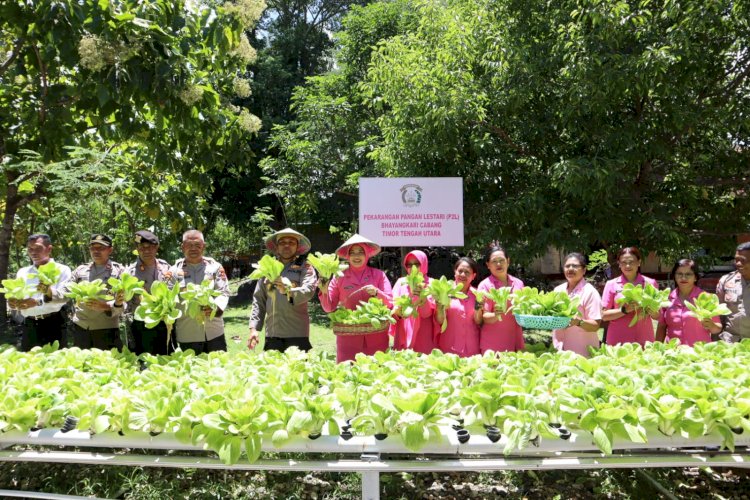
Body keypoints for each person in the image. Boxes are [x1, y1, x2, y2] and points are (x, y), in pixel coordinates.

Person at [318, 234, 392, 362]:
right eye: (352, 253)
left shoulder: (378, 275)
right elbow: (329, 308)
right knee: (347, 376)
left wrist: (377, 293)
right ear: (348, 256)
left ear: (367, 254)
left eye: (360, 252)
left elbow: (390, 303)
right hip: (348, 339)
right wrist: (324, 292)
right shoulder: (339, 277)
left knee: (377, 374)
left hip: (376, 337)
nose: (356, 256)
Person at [248, 228, 317, 352]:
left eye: (291, 242)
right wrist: (254, 329)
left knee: (299, 370)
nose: (286, 245)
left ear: (297, 247)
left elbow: (309, 290)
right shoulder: (267, 268)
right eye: (282, 242)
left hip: (297, 333)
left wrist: (288, 290)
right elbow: (259, 300)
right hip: (273, 333)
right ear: (277, 247)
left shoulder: (305, 267)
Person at [9, 234, 72, 351]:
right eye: (30, 249)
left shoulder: (62, 269)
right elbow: (16, 295)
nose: (33, 252)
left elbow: (64, 297)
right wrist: (13, 303)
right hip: (29, 325)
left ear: (49, 249)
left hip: (53, 324)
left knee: (56, 363)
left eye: (38, 248)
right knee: (30, 363)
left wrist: (37, 302)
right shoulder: (23, 272)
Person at [172, 230, 230, 354]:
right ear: (182, 247)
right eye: (189, 245)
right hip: (187, 334)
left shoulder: (215, 268)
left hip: (214, 333)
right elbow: (169, 299)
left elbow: (223, 292)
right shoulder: (173, 272)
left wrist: (216, 307)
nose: (193, 249)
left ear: (204, 246)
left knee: (219, 370)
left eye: (198, 245)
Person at [65, 234, 126, 349]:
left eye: (101, 248)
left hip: (106, 329)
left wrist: (107, 306)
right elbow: (66, 289)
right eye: (93, 248)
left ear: (110, 250)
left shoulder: (119, 271)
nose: (96, 251)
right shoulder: (80, 270)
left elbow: (125, 301)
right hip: (81, 328)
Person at [125, 230, 174, 355]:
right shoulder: (129, 272)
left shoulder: (166, 267)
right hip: (142, 324)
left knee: (167, 359)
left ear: (156, 247)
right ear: (137, 249)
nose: (146, 251)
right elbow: (126, 301)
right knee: (144, 362)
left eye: (150, 247)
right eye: (142, 247)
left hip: (165, 323)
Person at [601, 247, 659, 346]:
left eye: (631, 262)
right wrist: (624, 310)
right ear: (619, 264)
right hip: (617, 339)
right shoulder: (611, 284)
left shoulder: (650, 283)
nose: (627, 265)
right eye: (623, 262)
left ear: (639, 262)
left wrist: (648, 307)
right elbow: (604, 315)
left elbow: (658, 316)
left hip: (644, 339)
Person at [655, 259, 721, 346]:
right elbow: (661, 327)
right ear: (674, 276)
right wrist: (656, 348)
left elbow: (717, 328)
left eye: (688, 274)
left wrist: (711, 325)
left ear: (695, 277)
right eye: (679, 274)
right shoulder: (667, 298)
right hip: (673, 352)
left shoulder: (706, 298)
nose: (683, 278)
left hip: (699, 353)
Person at [551, 252, 602, 356]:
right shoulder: (557, 290)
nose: (570, 269)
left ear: (584, 270)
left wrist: (578, 322)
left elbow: (596, 325)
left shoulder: (590, 292)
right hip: (559, 350)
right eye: (567, 266)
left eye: (574, 266)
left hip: (582, 353)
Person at [477, 246, 524, 353]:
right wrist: (496, 314)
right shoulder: (485, 285)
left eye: (502, 260)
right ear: (488, 265)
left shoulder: (518, 283)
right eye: (494, 261)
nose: (498, 264)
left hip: (516, 339)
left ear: (508, 261)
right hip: (494, 343)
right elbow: (485, 316)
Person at [433, 257, 483, 357]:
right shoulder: (445, 291)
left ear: (473, 276)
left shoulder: (478, 294)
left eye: (467, 272)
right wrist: (439, 306)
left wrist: (479, 308)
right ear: (455, 272)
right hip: (448, 348)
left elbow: (479, 322)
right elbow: (440, 321)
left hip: (472, 349)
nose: (463, 275)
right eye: (460, 271)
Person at [390, 250, 435, 354]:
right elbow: (393, 309)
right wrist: (397, 311)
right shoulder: (401, 282)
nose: (412, 268)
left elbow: (427, 314)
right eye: (409, 265)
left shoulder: (432, 283)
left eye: (416, 264)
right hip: (403, 330)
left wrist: (422, 297)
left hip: (424, 332)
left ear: (424, 263)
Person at [716, 242, 750, 341]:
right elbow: (718, 314)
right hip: (730, 342)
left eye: (743, 260)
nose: (738, 264)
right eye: (736, 260)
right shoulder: (726, 281)